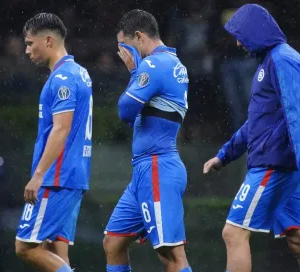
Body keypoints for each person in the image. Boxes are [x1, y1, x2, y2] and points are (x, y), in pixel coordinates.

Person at [203, 4, 300, 272]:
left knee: (233, 234)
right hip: (284, 166)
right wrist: (224, 155)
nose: (237, 41)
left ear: (255, 31)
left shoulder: (282, 60)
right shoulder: (270, 61)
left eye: (240, 34)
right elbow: (256, 123)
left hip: (273, 165)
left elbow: (299, 115)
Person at [103, 9, 192, 272]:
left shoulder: (156, 64)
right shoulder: (169, 64)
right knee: (114, 242)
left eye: (124, 46)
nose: (123, 55)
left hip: (157, 167)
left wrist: (134, 72)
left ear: (139, 37)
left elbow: (124, 110)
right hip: (145, 171)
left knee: (171, 254)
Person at [14, 13, 93, 272]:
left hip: (56, 178)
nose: (26, 50)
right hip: (73, 176)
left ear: (48, 40)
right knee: (56, 250)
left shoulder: (62, 79)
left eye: (29, 43)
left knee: (25, 246)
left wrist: (38, 176)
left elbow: (61, 129)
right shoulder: (79, 73)